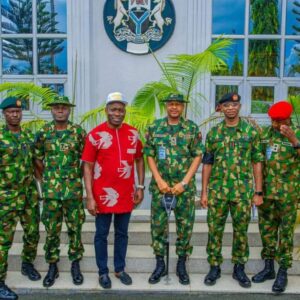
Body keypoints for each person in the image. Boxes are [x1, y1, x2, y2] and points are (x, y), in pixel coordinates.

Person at [82, 92, 145, 289]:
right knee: (101, 234)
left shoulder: (133, 134)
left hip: (126, 194)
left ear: (124, 111)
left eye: (120, 109)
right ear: (106, 111)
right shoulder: (95, 135)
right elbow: (87, 167)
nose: (117, 113)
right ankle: (103, 272)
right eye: (113, 109)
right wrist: (90, 197)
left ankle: (119, 268)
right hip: (102, 196)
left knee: (122, 233)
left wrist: (140, 186)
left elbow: (140, 159)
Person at [201, 92, 264, 288]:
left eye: (234, 105)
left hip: (242, 192)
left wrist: (258, 192)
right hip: (218, 192)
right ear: (221, 108)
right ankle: (214, 267)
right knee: (214, 231)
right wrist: (204, 192)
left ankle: (239, 268)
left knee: (241, 231)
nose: (231, 108)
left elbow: (257, 163)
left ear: (239, 107)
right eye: (226, 105)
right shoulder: (214, 133)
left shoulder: (250, 132)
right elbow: (207, 164)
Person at [144, 93, 203, 285]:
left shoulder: (191, 128)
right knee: (158, 227)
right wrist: (159, 180)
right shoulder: (155, 127)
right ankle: (160, 264)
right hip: (161, 187)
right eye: (171, 104)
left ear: (183, 107)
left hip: (183, 189)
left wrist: (184, 183)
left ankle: (181, 264)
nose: (174, 108)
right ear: (166, 106)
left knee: (185, 227)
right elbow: (149, 154)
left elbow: (197, 156)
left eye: (178, 104)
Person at [35, 96, 86, 287]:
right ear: (52, 110)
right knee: (52, 230)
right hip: (51, 193)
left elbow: (86, 160)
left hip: (73, 191)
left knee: (75, 228)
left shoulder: (78, 132)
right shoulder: (43, 133)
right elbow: (37, 159)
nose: (60, 111)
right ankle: (52, 265)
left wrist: (76, 177)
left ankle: (75, 264)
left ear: (69, 110)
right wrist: (44, 180)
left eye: (64, 108)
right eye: (56, 108)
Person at [252, 101, 300, 294]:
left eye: (279, 121)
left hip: (288, 195)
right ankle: (269, 267)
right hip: (267, 194)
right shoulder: (264, 135)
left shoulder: (296, 134)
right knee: (267, 232)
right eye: (273, 120)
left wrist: (295, 140)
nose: (275, 124)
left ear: (288, 118)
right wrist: (258, 192)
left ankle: (283, 272)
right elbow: (258, 163)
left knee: (286, 234)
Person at [0, 97, 40, 300]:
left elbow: (35, 164)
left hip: (29, 197)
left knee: (32, 234)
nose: (14, 115)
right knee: (3, 242)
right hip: (6, 198)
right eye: (10, 112)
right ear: (4, 114)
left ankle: (27, 264)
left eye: (17, 112)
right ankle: (0, 282)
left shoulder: (27, 137)